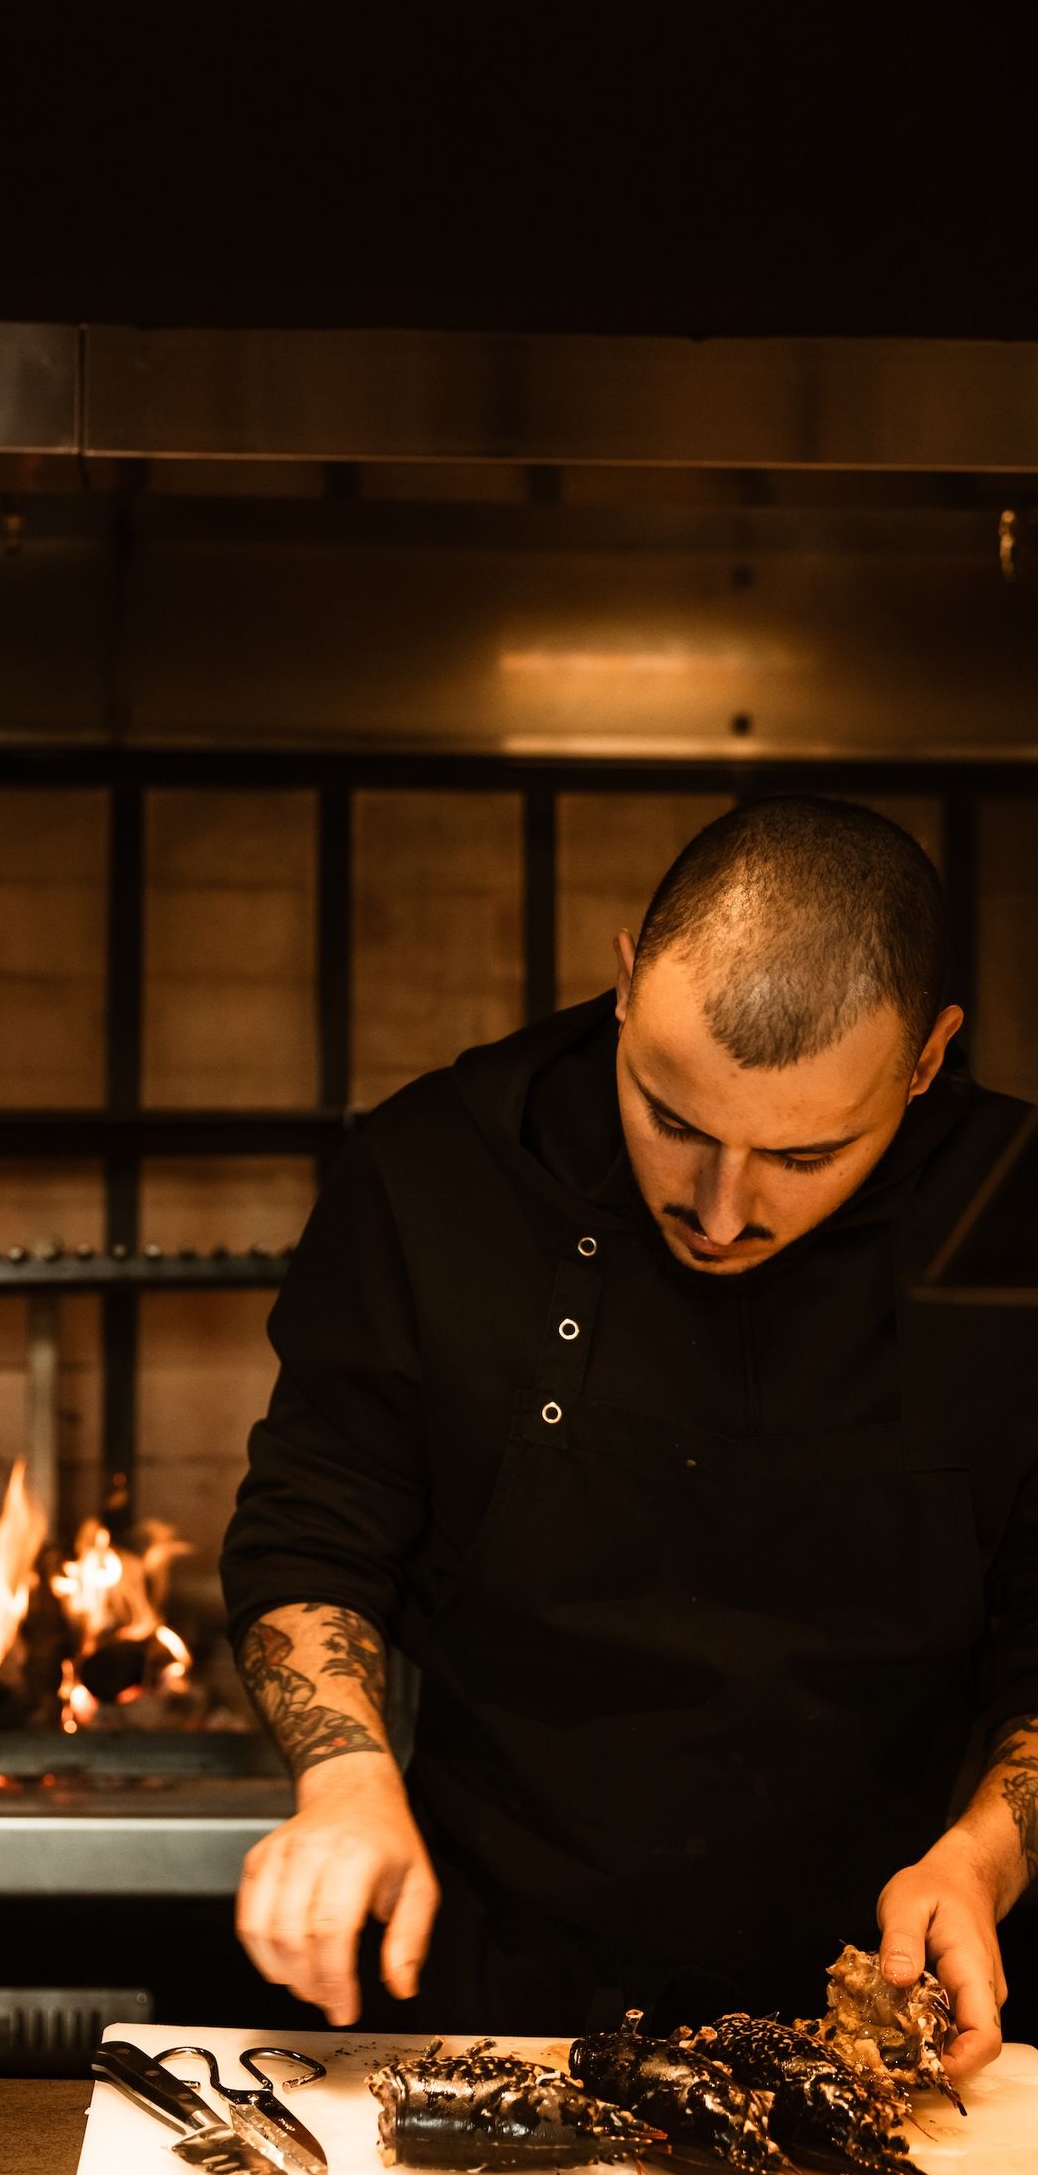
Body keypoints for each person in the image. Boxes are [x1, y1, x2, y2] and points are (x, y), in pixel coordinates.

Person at [221, 797, 1038, 2083]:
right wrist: (346, 1781)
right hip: (502, 1992)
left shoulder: (1018, 1218)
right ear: (623, 984)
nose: (718, 1211)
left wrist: (981, 1857)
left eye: (803, 1156)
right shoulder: (436, 1172)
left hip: (903, 2006)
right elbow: (313, 1533)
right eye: (671, 1120)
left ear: (928, 1059)